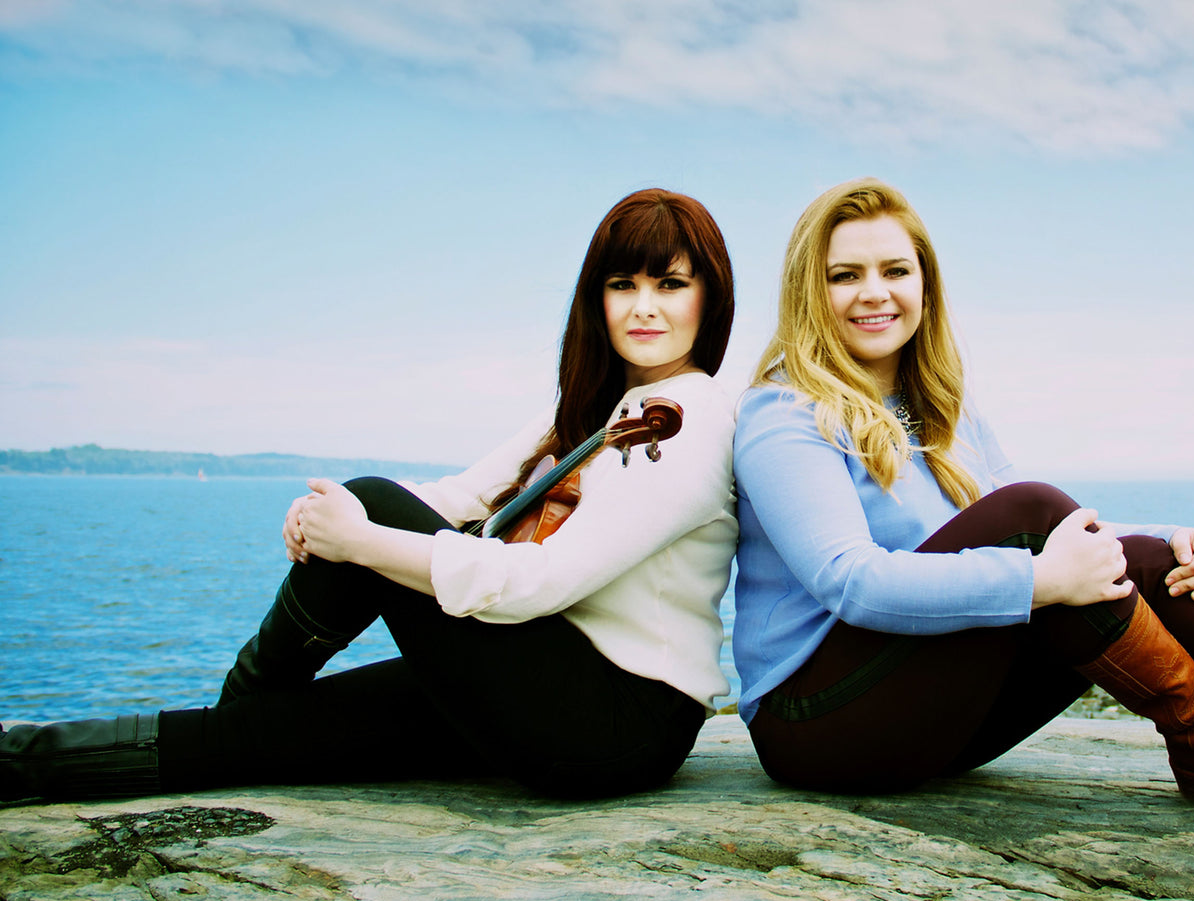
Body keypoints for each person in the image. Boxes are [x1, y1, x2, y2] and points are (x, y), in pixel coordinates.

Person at [731, 177, 1194, 825]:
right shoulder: (783, 415)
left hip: (933, 714)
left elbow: (1052, 537)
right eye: (844, 275)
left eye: (895, 270)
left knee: (1110, 550)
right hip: (818, 723)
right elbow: (853, 581)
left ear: (924, 282)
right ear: (810, 289)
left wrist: (1172, 542)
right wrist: (1039, 579)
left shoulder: (944, 410)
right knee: (1038, 524)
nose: (874, 293)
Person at [2, 188, 739, 803]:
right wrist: (324, 519)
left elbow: (536, 582)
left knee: (373, 501)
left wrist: (357, 536)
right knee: (269, 738)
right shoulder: (592, 407)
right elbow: (456, 495)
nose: (645, 307)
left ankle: (243, 695)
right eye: (623, 285)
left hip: (614, 718)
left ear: (709, 297)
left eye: (670, 284)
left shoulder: (692, 418)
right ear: (596, 299)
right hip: (536, 677)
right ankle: (19, 762)